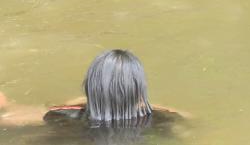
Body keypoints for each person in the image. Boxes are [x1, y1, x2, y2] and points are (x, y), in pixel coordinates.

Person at [0, 49, 179, 132]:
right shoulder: (162, 118)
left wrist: (7, 105)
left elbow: (9, 120)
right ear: (139, 89)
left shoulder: (65, 116)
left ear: (89, 86)